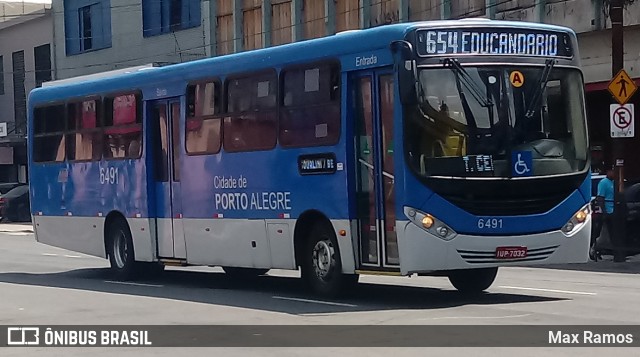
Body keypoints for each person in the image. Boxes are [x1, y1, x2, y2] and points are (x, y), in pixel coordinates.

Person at [591, 167, 615, 260]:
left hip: (613, 210)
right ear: (608, 172)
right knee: (601, 232)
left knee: (611, 233)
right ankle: (595, 249)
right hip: (606, 211)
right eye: (612, 171)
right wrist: (604, 212)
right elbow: (600, 198)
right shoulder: (603, 183)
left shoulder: (614, 182)